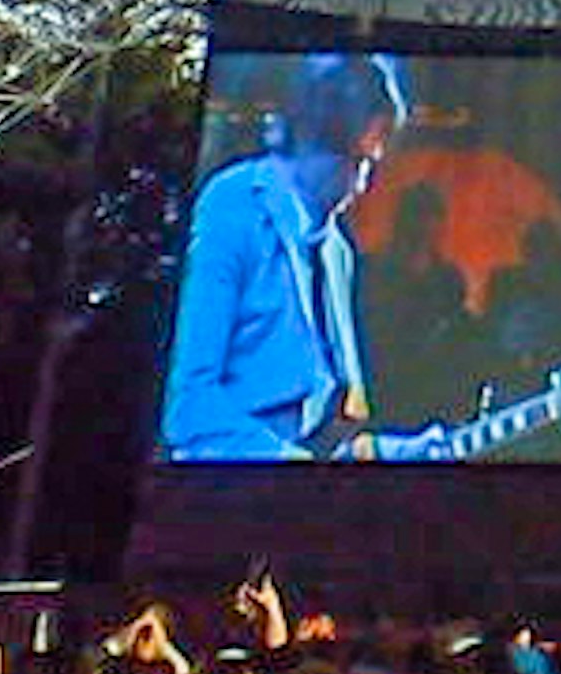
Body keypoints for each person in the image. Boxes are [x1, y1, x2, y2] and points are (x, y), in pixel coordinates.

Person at [161, 52, 413, 460]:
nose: (366, 183)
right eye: (368, 158)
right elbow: (188, 404)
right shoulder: (234, 205)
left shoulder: (336, 249)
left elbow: (336, 428)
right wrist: (283, 462)